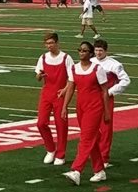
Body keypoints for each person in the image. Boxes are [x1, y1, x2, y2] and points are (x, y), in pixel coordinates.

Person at [63, 38, 108, 184]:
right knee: (91, 138)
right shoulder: (74, 68)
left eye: (85, 51)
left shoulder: (97, 69)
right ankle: (99, 170)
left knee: (86, 138)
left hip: (94, 107)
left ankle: (76, 170)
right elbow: (70, 88)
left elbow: (105, 91)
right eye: (80, 50)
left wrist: (106, 112)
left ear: (90, 54)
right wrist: (65, 106)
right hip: (81, 106)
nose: (81, 53)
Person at [33, 32, 73, 165]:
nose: (49, 46)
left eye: (51, 43)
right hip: (46, 93)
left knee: (61, 125)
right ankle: (50, 149)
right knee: (41, 123)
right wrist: (40, 75)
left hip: (59, 94)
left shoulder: (66, 58)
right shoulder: (43, 58)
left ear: (57, 43)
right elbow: (37, 77)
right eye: (47, 43)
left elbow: (72, 79)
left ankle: (61, 154)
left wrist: (65, 90)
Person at [92, 38, 132, 168]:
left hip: (106, 99)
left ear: (106, 51)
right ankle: (93, 153)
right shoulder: (90, 62)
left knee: (105, 128)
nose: (98, 53)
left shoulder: (114, 64)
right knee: (91, 127)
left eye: (100, 50)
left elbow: (125, 80)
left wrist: (110, 92)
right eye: (96, 50)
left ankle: (104, 157)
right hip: (91, 99)